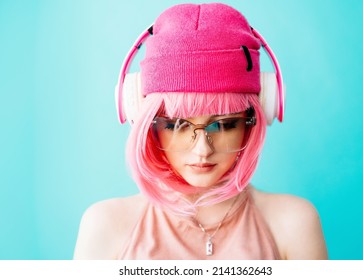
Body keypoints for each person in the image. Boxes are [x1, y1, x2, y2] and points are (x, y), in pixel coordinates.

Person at [73, 2, 327, 260]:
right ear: (145, 121)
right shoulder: (105, 226)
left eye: (225, 124)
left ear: (254, 118)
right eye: (176, 125)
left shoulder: (293, 224)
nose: (203, 149)